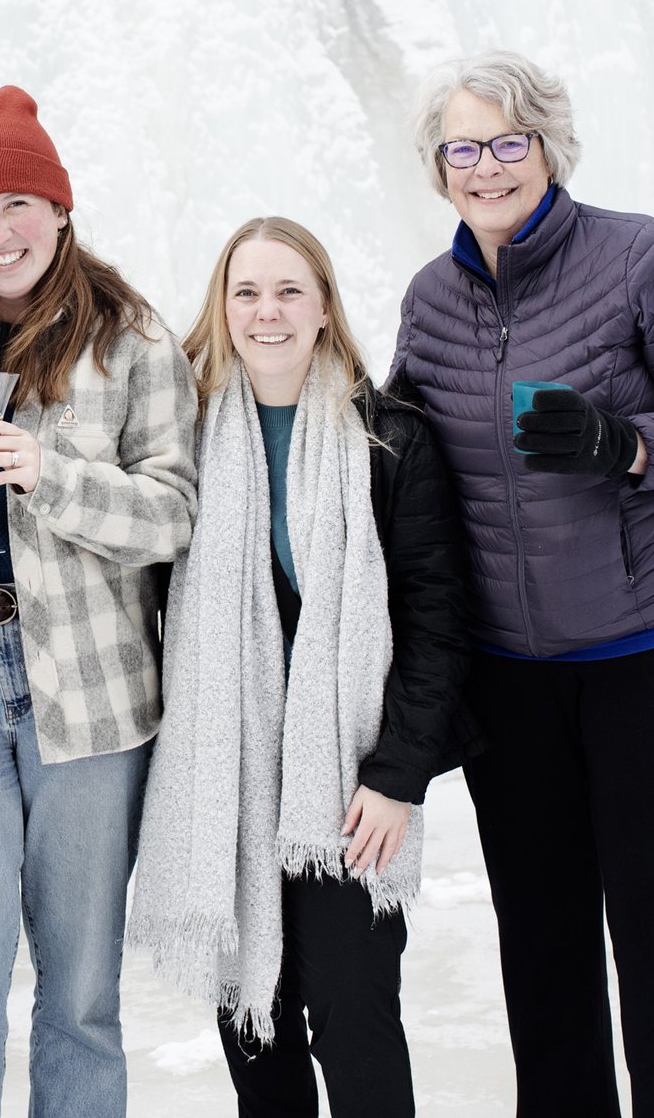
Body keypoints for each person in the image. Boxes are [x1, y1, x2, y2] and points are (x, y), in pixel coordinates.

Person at [389, 53, 654, 1118]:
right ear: (438, 168)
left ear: (550, 147)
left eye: (509, 141)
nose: (486, 165)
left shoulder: (643, 258)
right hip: (511, 671)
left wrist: (624, 442)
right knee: (543, 949)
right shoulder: (430, 299)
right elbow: (398, 451)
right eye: (462, 147)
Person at [0, 86, 199, 1118]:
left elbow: (176, 513)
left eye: (16, 201)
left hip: (91, 689)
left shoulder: (132, 340)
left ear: (60, 208)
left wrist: (52, 474)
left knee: (83, 988)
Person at [132, 216, 470, 1118]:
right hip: (227, 788)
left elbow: (438, 625)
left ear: (324, 306)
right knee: (259, 1042)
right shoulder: (188, 439)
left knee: (357, 1032)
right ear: (222, 306)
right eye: (246, 292)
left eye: (289, 291)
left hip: (349, 792)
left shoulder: (390, 437)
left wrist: (397, 776)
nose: (266, 311)